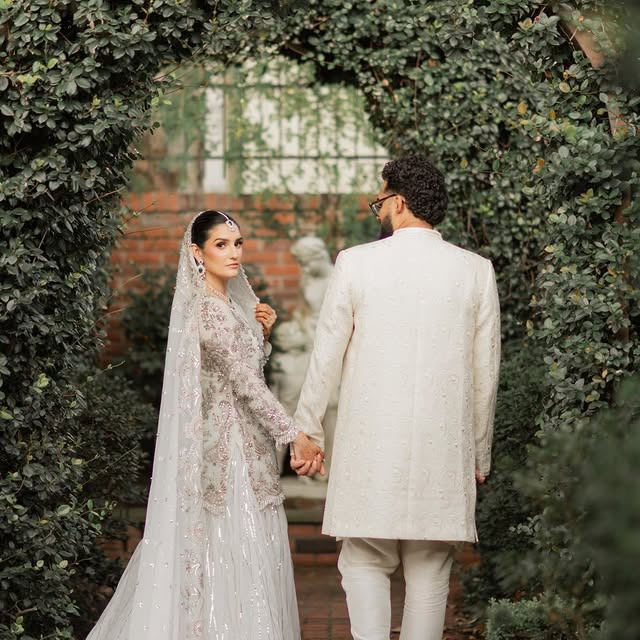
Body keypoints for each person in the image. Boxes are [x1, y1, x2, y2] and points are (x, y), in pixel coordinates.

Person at [291, 155, 501, 640]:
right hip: (441, 452)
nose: (378, 209)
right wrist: (479, 453)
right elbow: (484, 373)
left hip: (371, 450)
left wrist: (308, 431)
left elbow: (326, 355)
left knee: (364, 562)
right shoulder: (476, 271)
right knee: (429, 573)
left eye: (380, 200)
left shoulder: (356, 263)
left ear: (399, 202)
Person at [87, 210, 322, 640]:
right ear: (197, 253)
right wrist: (292, 434)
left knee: (246, 547)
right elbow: (245, 384)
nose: (234, 253)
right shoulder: (209, 311)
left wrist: (262, 335)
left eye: (238, 244)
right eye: (221, 245)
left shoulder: (230, 306)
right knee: (231, 545)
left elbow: (242, 371)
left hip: (249, 447)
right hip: (227, 453)